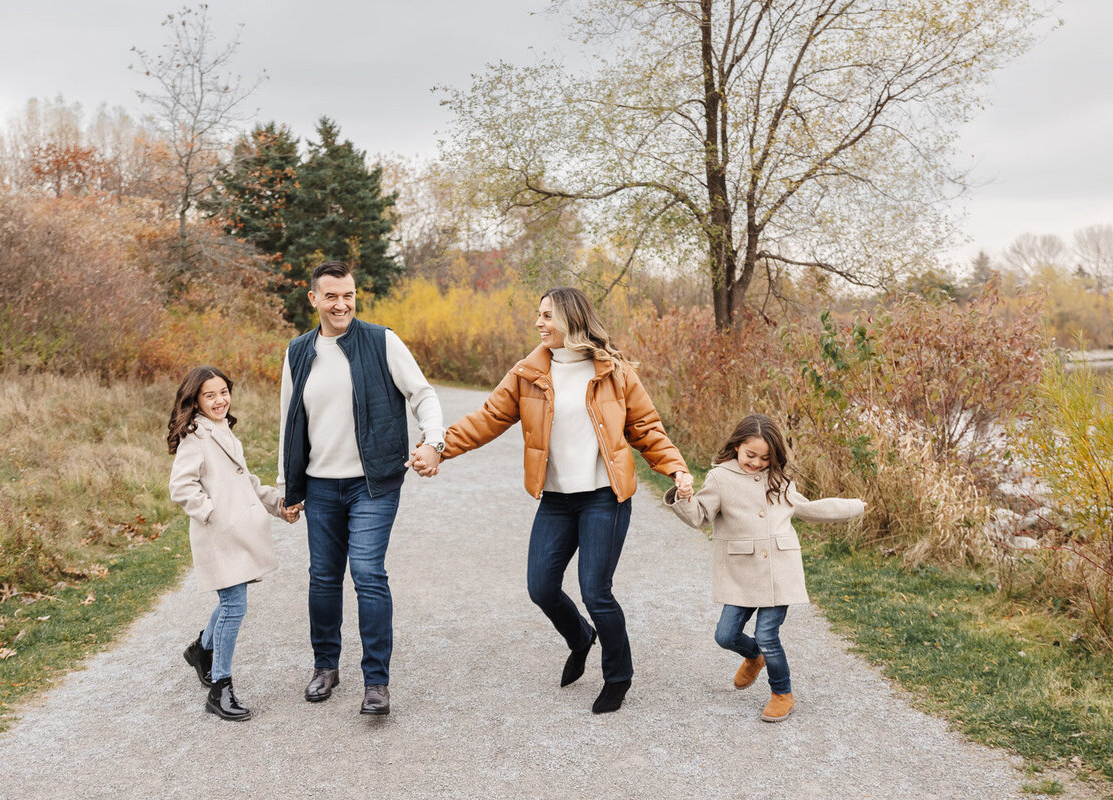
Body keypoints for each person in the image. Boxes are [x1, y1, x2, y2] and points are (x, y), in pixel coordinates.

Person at [413, 287, 693, 714]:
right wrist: (440, 446)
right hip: (558, 499)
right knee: (541, 587)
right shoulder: (528, 372)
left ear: (572, 319)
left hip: (605, 497)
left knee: (596, 591)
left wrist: (675, 467)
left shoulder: (613, 371)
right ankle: (581, 638)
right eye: (538, 315)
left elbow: (646, 427)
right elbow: (488, 418)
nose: (539, 323)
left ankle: (618, 677)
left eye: (547, 316)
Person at [279, 261, 445, 716]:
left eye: (348, 295)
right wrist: (286, 487)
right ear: (313, 298)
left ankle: (376, 682)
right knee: (324, 578)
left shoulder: (382, 340)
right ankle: (325, 667)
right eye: (331, 296)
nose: (341, 304)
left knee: (368, 574)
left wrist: (434, 441)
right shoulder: (297, 351)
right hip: (319, 486)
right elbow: (288, 424)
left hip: (372, 484)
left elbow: (423, 394)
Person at [666, 414, 865, 722]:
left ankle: (782, 693)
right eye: (750, 455)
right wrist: (683, 496)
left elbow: (808, 509)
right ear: (736, 447)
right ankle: (753, 656)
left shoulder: (780, 480)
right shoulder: (720, 478)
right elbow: (698, 516)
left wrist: (854, 507)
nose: (757, 463)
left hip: (778, 571)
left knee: (768, 634)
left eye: (765, 458)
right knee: (725, 635)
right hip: (740, 573)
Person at [168, 365, 300, 722]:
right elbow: (181, 487)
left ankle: (201, 649)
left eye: (223, 392)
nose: (219, 400)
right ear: (195, 400)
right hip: (220, 536)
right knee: (234, 606)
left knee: (231, 601)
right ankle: (220, 687)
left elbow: (246, 482)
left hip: (236, 536)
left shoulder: (224, 431)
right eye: (209, 395)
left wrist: (279, 504)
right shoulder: (196, 436)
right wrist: (213, 513)